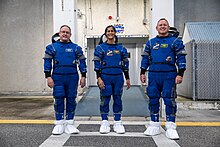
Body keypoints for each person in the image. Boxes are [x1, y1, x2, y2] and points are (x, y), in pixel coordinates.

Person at [140, 18, 186, 140]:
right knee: (153, 99)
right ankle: (154, 124)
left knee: (169, 99)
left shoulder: (175, 41)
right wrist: (142, 72)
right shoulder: (151, 42)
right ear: (156, 28)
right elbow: (145, 58)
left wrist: (180, 73)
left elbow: (181, 58)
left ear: (168, 27)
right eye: (160, 25)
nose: (162, 26)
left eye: (164, 25)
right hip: (153, 75)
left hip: (169, 75)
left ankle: (171, 127)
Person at [43, 25, 87, 135]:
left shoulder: (76, 48)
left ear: (70, 35)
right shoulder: (52, 47)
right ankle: (59, 123)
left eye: (67, 32)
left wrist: (83, 76)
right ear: (59, 33)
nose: (65, 34)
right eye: (63, 32)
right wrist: (48, 77)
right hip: (57, 77)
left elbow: (82, 62)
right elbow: (47, 62)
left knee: (71, 99)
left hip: (72, 77)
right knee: (59, 98)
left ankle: (69, 123)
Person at [93, 25, 131, 134]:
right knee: (105, 99)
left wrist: (127, 78)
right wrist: (98, 78)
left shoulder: (121, 48)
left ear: (115, 33)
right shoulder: (100, 48)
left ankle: (117, 122)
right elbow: (96, 64)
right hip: (105, 76)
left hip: (118, 77)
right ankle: (104, 122)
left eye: (112, 31)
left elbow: (125, 64)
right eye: (108, 31)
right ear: (105, 34)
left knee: (117, 98)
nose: (110, 33)